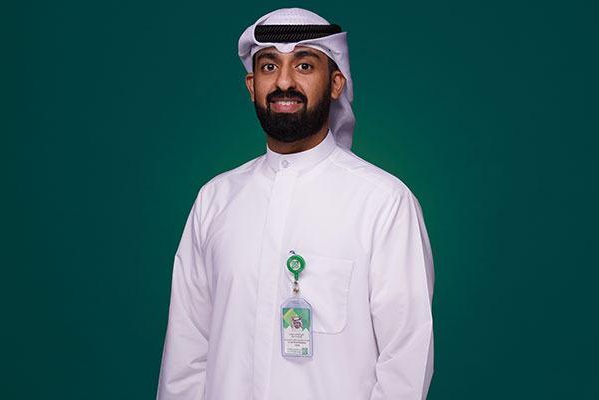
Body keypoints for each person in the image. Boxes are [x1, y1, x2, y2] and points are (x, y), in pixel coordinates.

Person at [157, 7, 434, 400]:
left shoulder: (383, 204)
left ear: (335, 83)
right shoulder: (214, 201)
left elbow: (405, 366)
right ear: (251, 85)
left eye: (304, 65)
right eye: (269, 66)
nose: (284, 82)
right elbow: (185, 360)